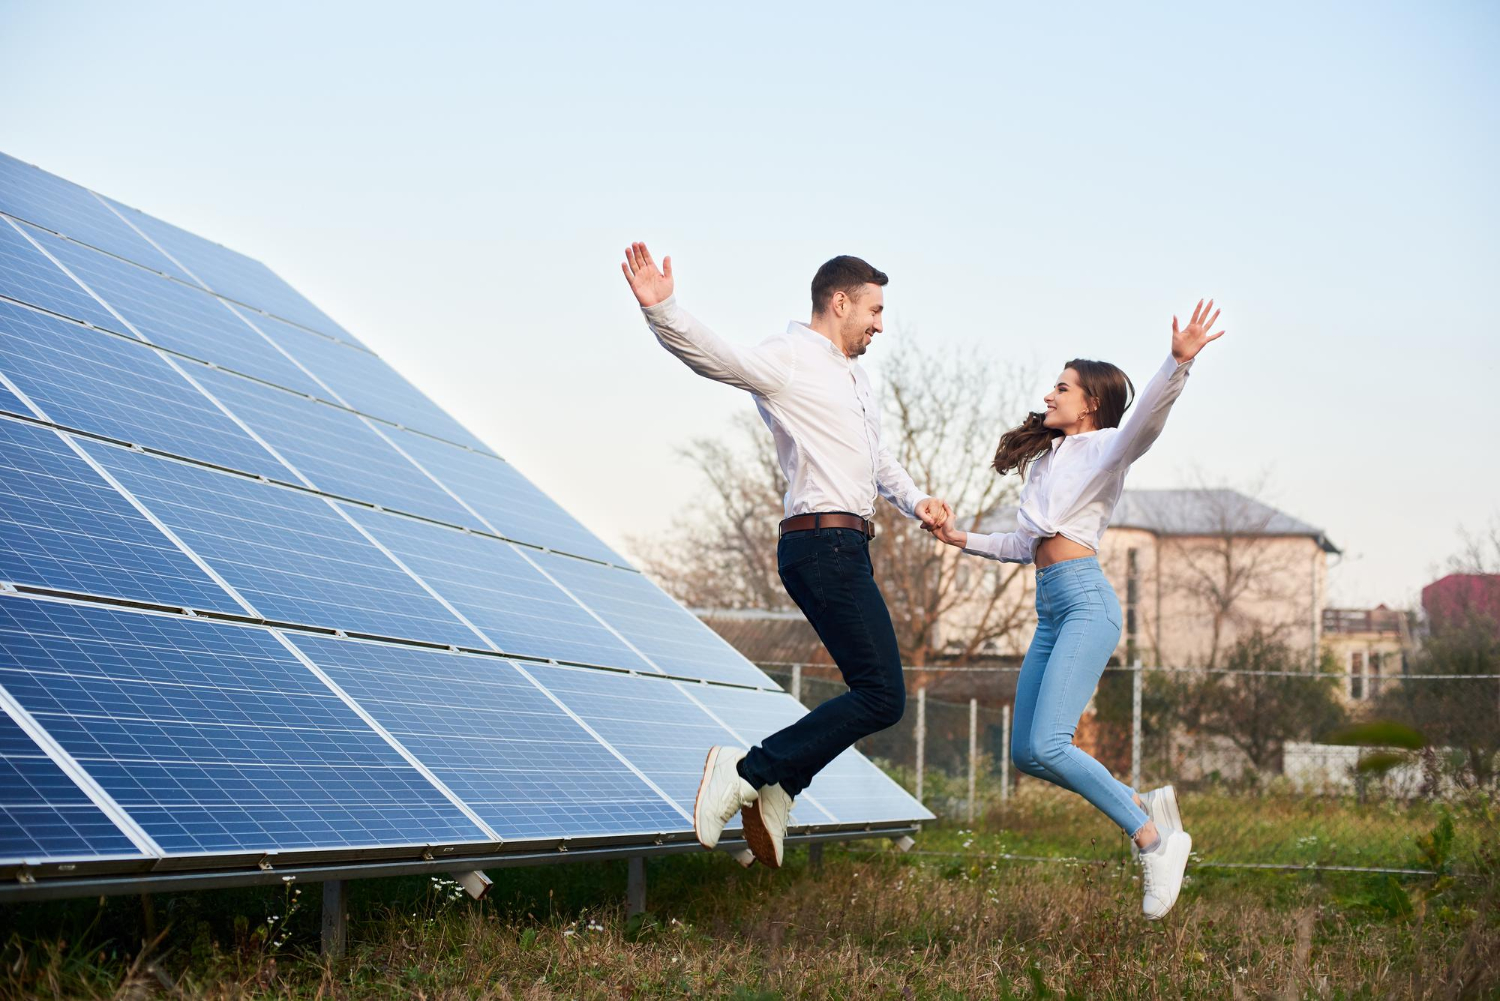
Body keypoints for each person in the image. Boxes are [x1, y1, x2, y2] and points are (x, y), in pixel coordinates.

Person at [620, 242, 951, 869]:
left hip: (845, 543)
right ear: (840, 301)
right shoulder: (790, 358)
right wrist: (664, 311)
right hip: (819, 543)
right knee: (882, 695)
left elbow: (876, 461)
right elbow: (720, 360)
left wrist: (917, 502)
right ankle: (749, 771)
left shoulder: (856, 378)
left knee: (874, 692)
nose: (881, 325)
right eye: (875, 311)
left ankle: (778, 785)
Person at [926, 299, 1225, 920]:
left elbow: (1146, 419)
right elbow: (1026, 545)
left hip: (1087, 603)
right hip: (1052, 609)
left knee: (1052, 742)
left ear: (1090, 403)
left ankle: (1153, 839)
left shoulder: (1105, 450)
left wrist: (1177, 366)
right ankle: (1144, 806)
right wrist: (962, 540)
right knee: (1027, 753)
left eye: (1061, 387)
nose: (1049, 394)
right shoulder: (1047, 463)